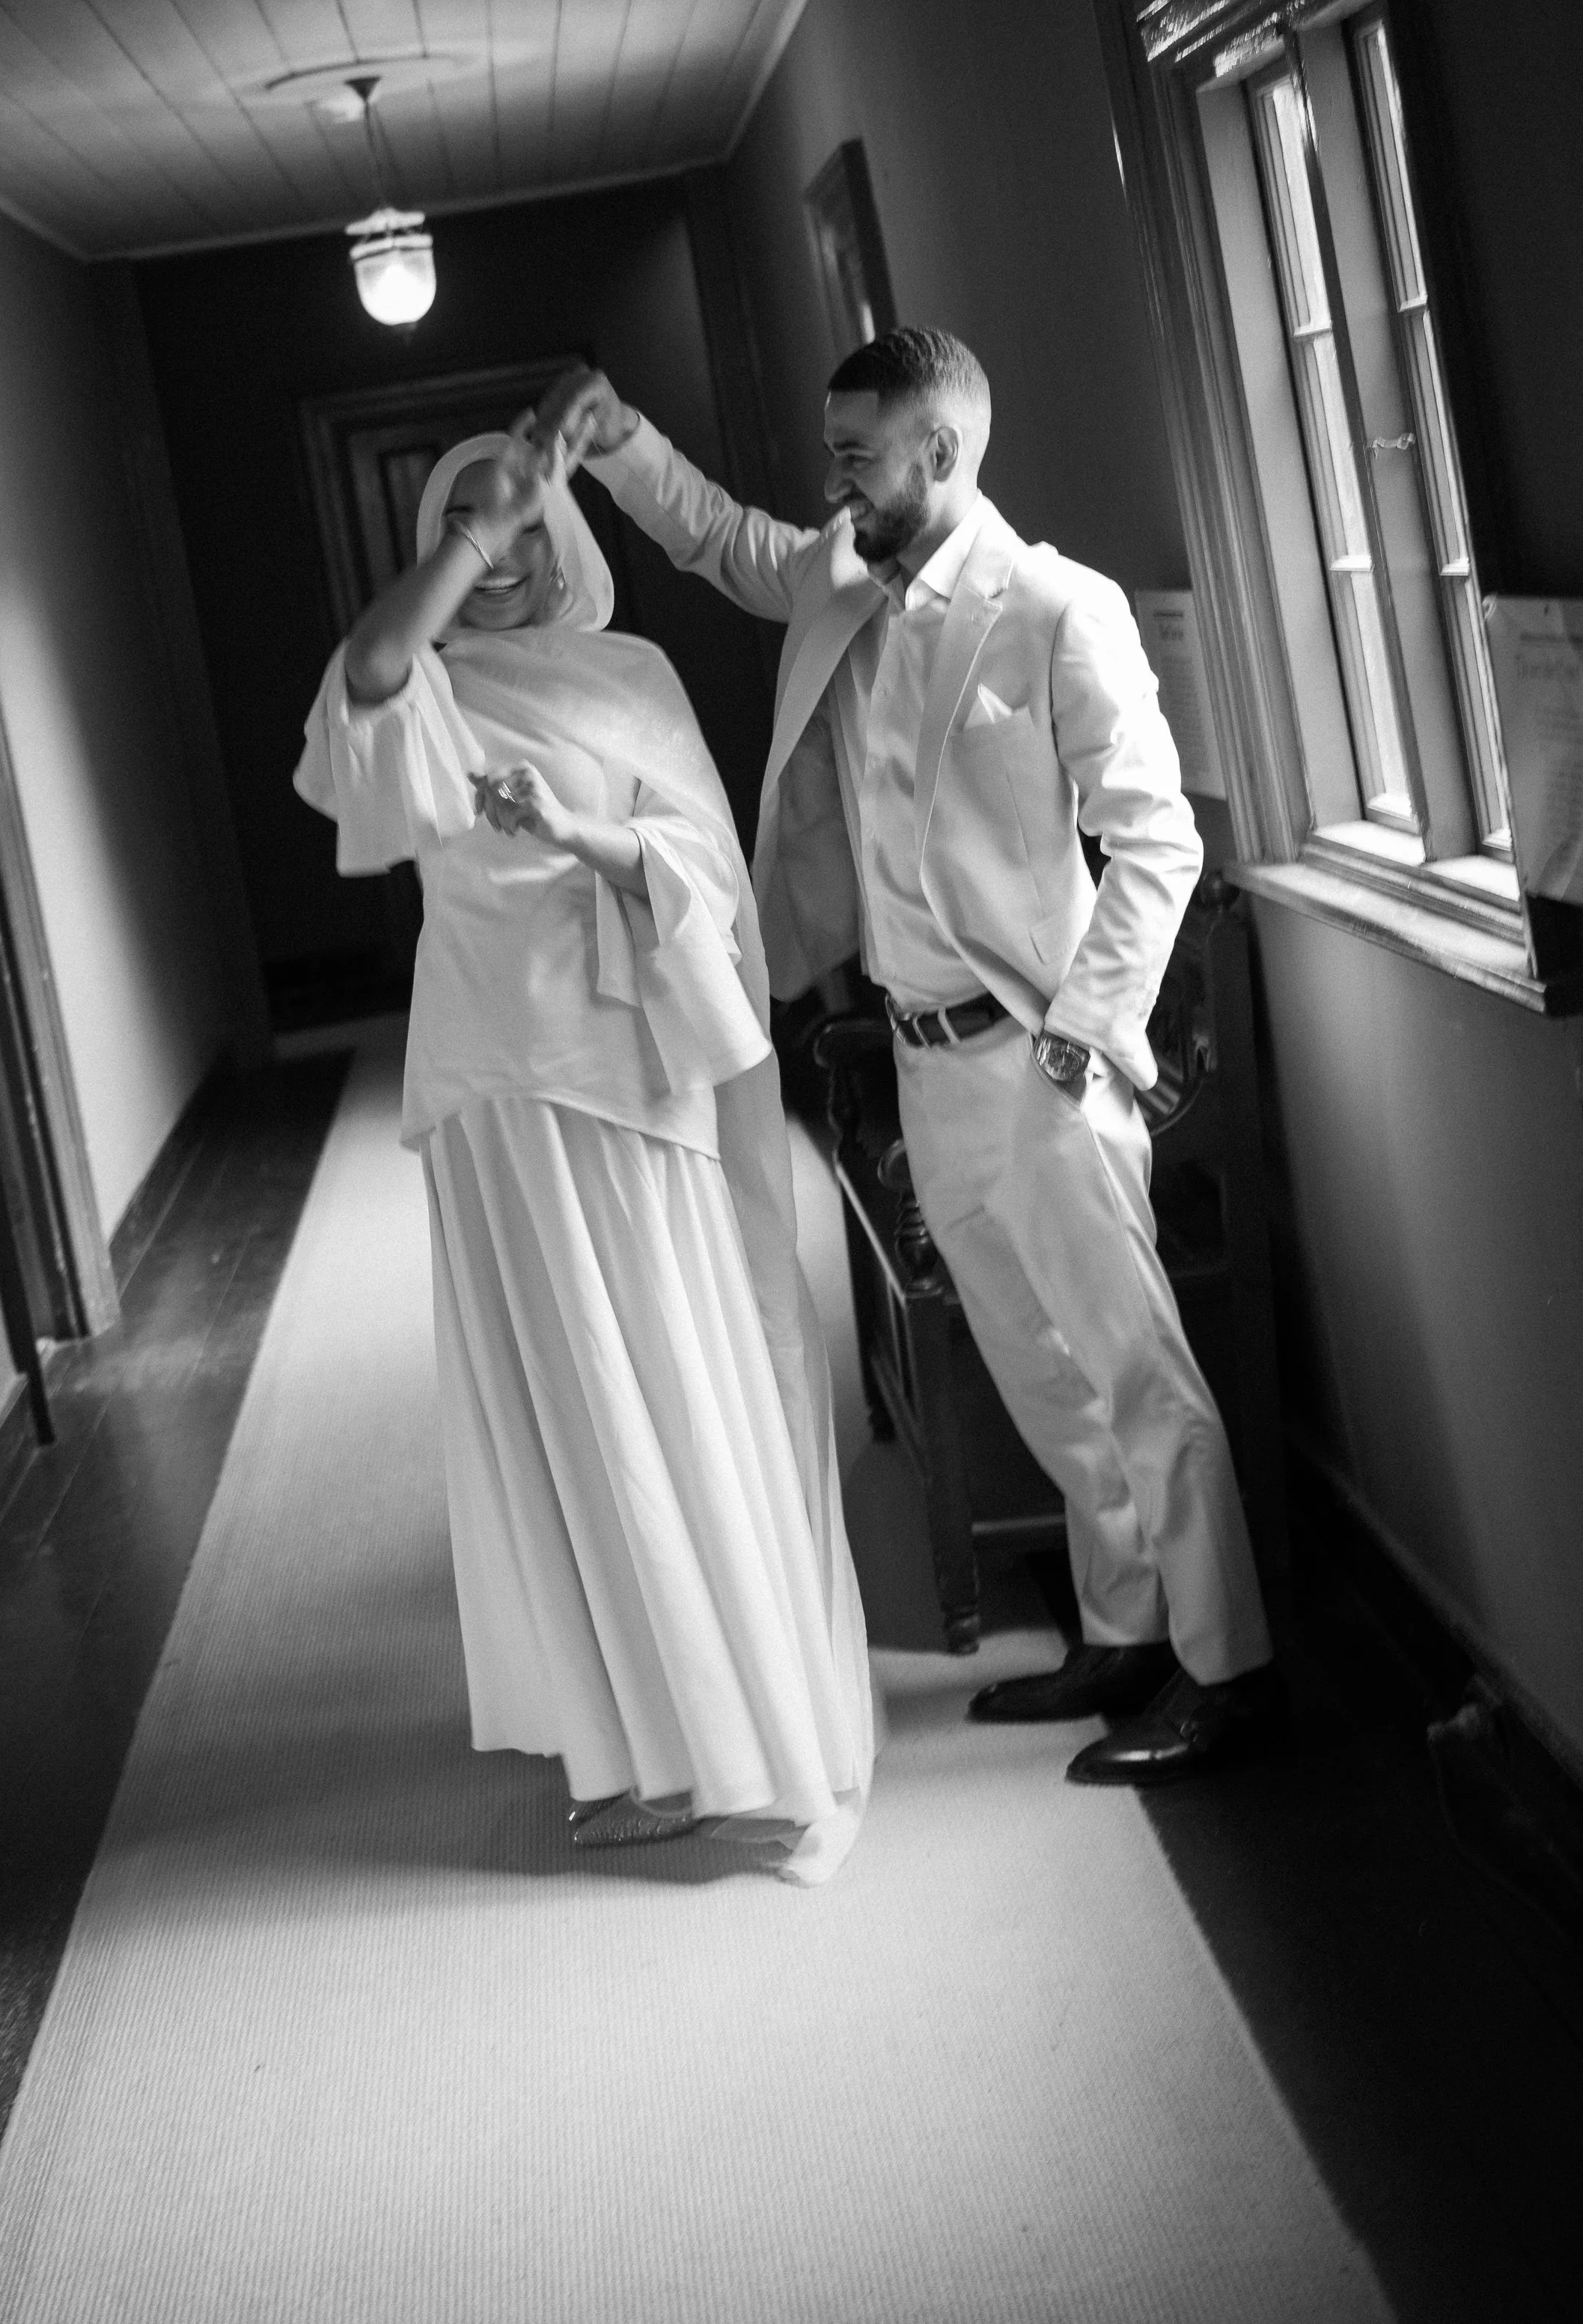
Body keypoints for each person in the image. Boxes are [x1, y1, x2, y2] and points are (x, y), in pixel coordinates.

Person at [539, 331, 1278, 1786]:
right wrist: (616, 436)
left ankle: (1228, 1671)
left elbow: (1157, 840)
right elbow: (720, 540)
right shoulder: (840, 575)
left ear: (939, 452)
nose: (833, 480)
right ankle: (1124, 1630)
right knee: (1037, 1372)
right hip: (922, 1058)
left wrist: (1081, 1040)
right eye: (831, 455)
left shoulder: (1053, 609)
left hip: (1041, 1056)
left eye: (855, 455)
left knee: (1135, 1371)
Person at [293, 426, 873, 1880]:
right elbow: (369, 672)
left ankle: (737, 1740)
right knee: (567, 1406)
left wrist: (574, 833)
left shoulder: (633, 677)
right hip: (491, 1084)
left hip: (625, 1069)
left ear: (570, 539)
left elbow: (702, 874)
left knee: (665, 1380)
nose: (505, 557)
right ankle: (643, 1746)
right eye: (473, 530)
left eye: (525, 526)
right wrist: (469, 533)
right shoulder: (424, 684)